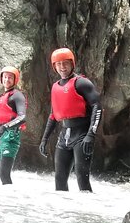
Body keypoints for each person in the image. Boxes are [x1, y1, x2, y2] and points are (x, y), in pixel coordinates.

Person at [39, 48, 102, 192]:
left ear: (72, 64)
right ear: (54, 67)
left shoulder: (82, 83)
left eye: (65, 63)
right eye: (58, 64)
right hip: (64, 136)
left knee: (82, 177)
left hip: (82, 135)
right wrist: (44, 139)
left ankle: (87, 211)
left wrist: (91, 135)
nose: (62, 67)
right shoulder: (55, 87)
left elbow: (97, 107)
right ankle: (64, 213)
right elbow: (53, 115)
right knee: (60, 179)